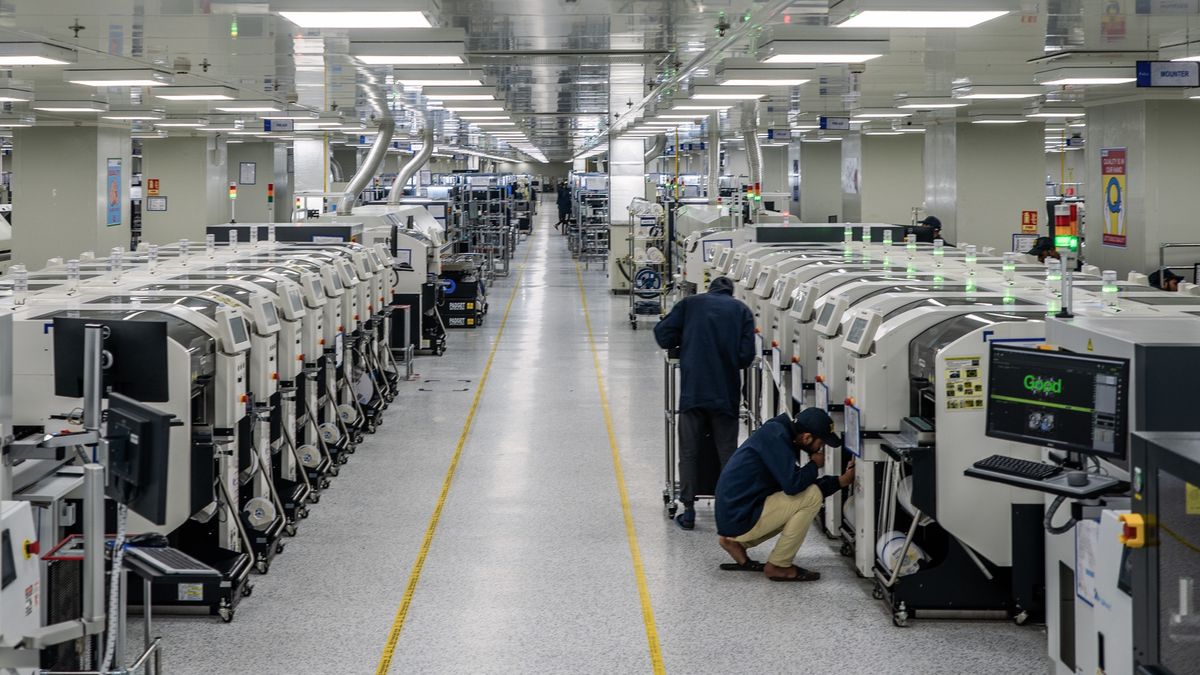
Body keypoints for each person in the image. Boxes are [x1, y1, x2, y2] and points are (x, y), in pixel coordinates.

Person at [654, 276, 756, 530]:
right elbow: (746, 356)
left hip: (694, 392)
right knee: (727, 453)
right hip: (725, 394)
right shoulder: (741, 310)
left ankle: (688, 510)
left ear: (708, 289)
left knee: (688, 452)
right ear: (731, 292)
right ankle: (728, 509)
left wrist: (685, 345)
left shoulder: (690, 304)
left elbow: (662, 334)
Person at [714, 408, 855, 581]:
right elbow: (794, 486)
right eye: (822, 443)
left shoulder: (778, 432)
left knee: (804, 497)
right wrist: (813, 465)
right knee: (812, 497)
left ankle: (735, 543)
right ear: (807, 437)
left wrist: (841, 481)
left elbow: (796, 484)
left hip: (735, 511)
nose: (821, 449)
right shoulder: (777, 438)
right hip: (739, 516)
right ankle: (779, 566)